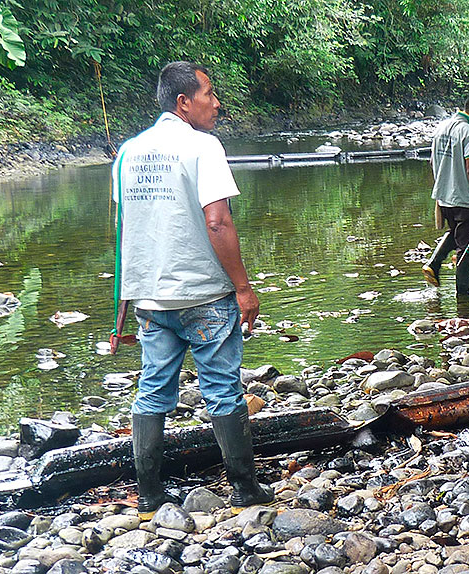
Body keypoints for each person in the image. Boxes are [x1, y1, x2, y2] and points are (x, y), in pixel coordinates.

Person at [112, 61, 273, 518]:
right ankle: (244, 488)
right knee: (222, 388)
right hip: (204, 294)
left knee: (152, 390)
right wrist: (244, 288)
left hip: (150, 298)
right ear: (184, 102)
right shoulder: (204, 146)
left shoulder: (128, 152)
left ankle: (149, 496)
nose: (217, 104)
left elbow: (125, 229)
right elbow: (217, 222)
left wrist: (123, 304)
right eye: (209, 94)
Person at [423, 93, 469, 303]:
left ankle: (434, 264)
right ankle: (463, 298)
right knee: (467, 248)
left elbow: (432, 162)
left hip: (445, 198)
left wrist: (441, 187)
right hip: (466, 200)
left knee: (457, 234)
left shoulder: (442, 128)